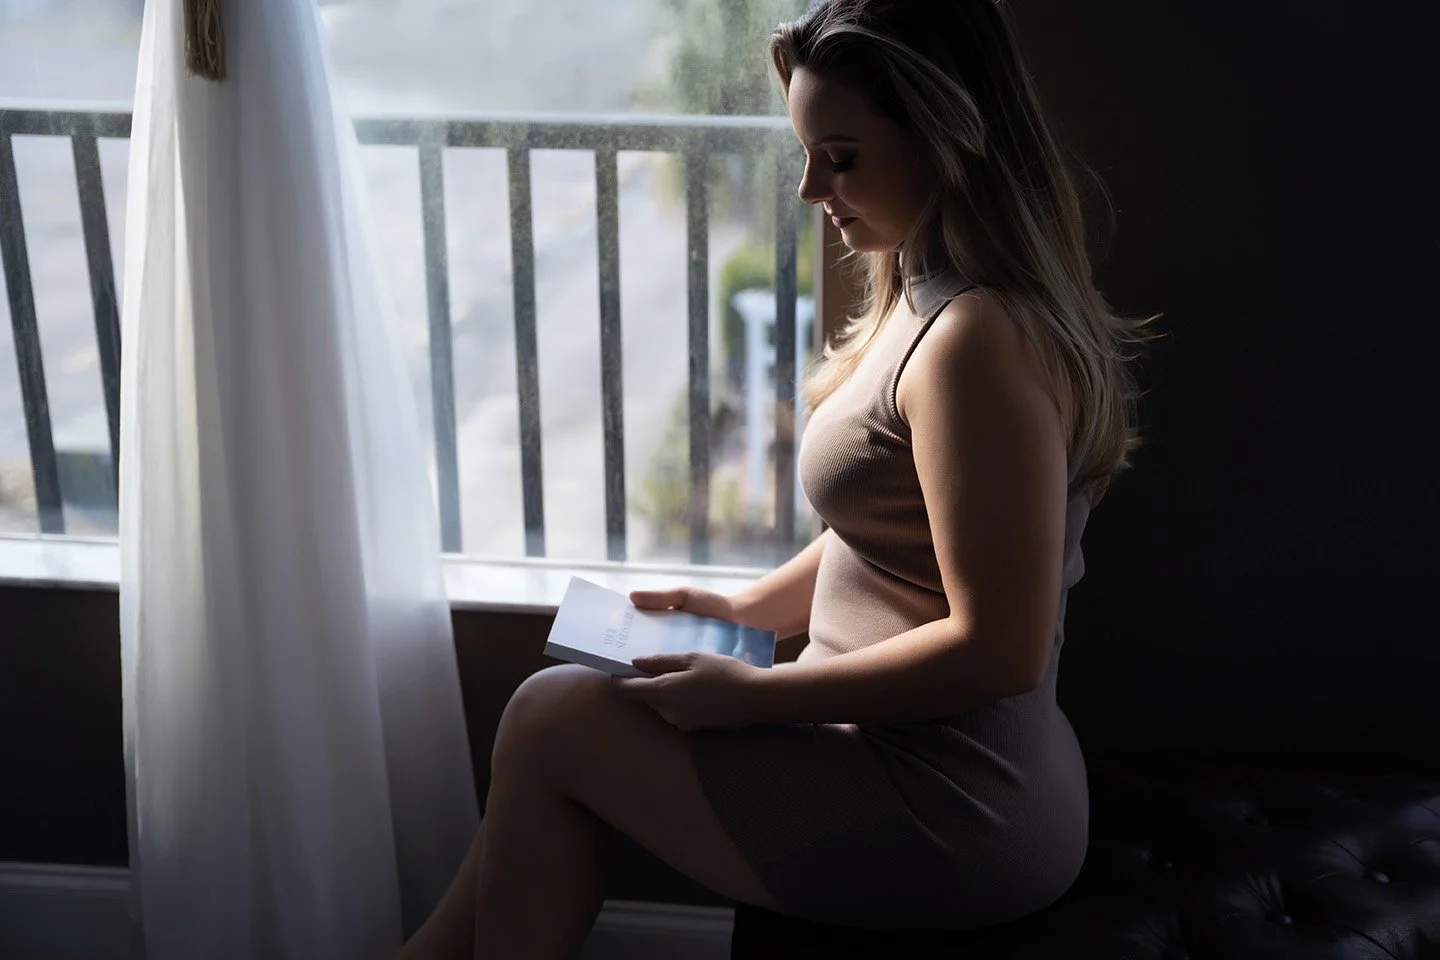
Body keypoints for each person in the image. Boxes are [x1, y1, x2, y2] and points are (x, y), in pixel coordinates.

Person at [398, 0, 1151, 956]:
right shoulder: (923, 289)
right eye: (808, 152)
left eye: (840, 157)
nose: (809, 190)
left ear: (948, 140)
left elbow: (999, 647)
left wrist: (751, 694)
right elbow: (885, 532)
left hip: (953, 809)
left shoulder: (976, 343)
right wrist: (746, 615)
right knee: (551, 738)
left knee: (550, 721)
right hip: (917, 764)